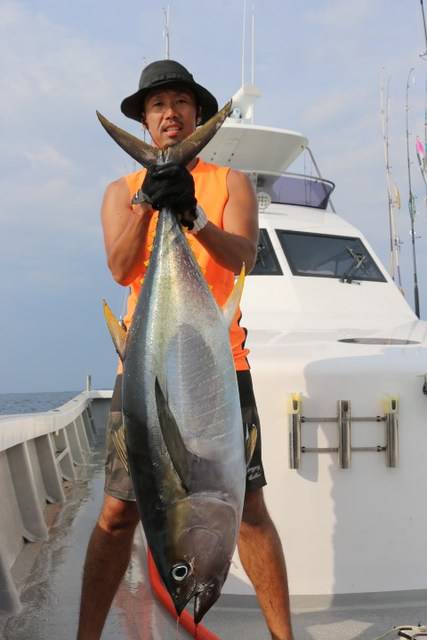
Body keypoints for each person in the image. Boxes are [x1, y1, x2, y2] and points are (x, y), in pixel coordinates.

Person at [77, 59, 294, 640]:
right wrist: (151, 199)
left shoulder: (232, 183)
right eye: (156, 105)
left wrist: (193, 215)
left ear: (197, 113)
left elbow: (245, 257)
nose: (169, 114)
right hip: (147, 373)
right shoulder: (120, 192)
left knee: (249, 511)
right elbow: (122, 267)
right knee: (118, 512)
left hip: (220, 368)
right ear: (146, 122)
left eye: (179, 103)